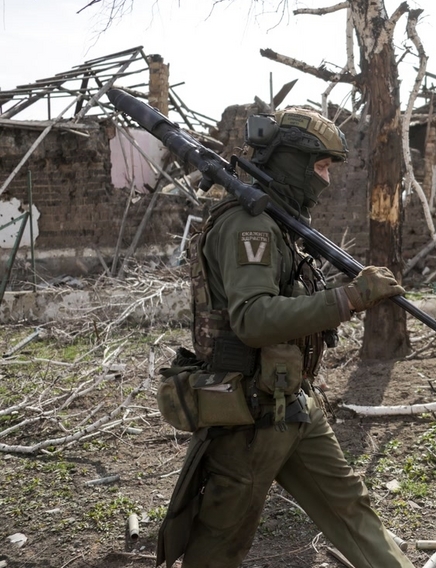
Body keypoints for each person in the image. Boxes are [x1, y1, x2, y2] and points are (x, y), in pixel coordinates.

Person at [156, 107, 413, 568]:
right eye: (319, 166)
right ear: (290, 161)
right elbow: (253, 318)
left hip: (291, 402)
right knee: (219, 544)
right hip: (249, 415)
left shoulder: (276, 223)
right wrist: (349, 298)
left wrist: (341, 298)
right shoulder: (248, 225)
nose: (327, 180)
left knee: (351, 510)